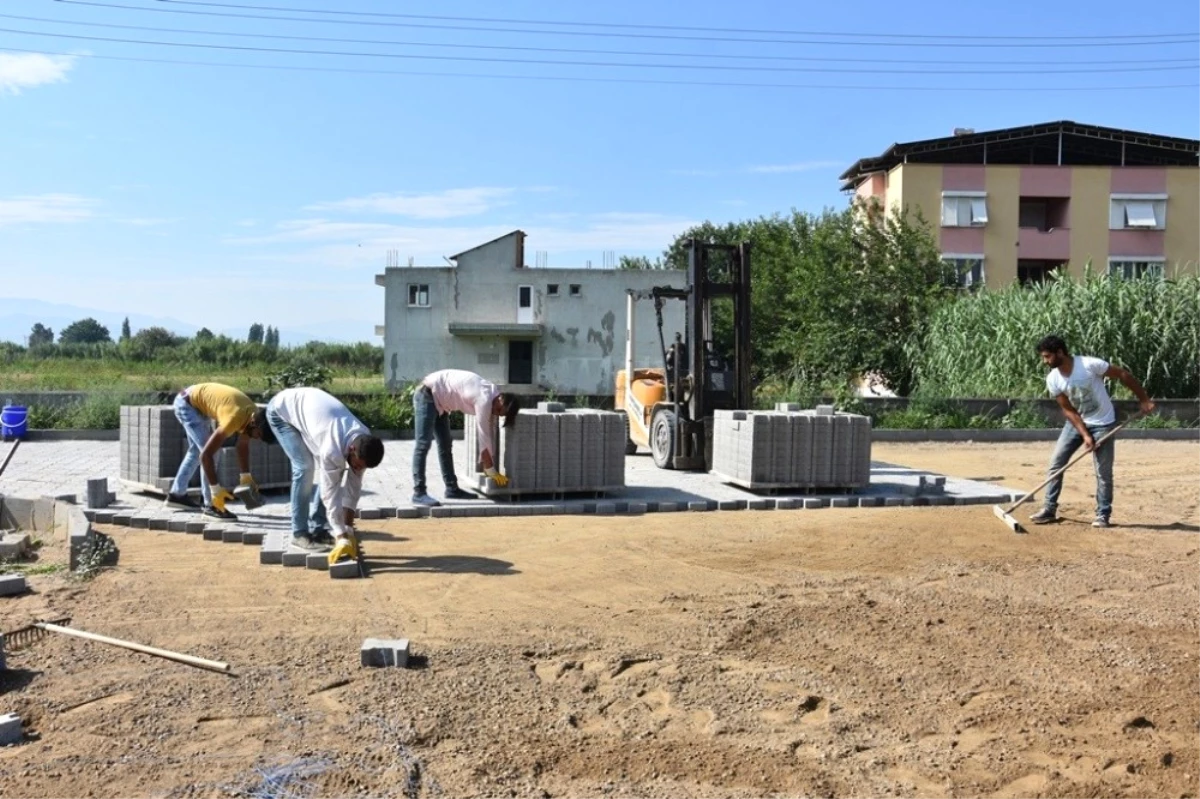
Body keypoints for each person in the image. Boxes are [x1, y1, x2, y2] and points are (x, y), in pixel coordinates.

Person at [1030, 335, 1155, 528]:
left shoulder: (1089, 365)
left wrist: (1144, 399)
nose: (1045, 361)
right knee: (1056, 463)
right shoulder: (1053, 379)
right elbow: (1068, 409)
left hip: (1103, 423)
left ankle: (1102, 514)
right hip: (1076, 424)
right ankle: (1049, 509)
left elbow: (1122, 374)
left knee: (1102, 472)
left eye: (1047, 356)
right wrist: (1086, 435)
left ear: (1060, 352)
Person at [262, 387, 385, 559]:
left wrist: (348, 529)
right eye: (357, 465)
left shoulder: (364, 442)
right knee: (305, 467)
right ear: (351, 449)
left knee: (334, 472)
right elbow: (330, 494)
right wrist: (341, 537)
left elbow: (353, 489)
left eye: (361, 467)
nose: (357, 469)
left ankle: (319, 529)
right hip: (281, 412)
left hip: (309, 411)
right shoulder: (332, 450)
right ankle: (299, 534)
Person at [411, 369, 520, 507]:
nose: (496, 413)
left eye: (500, 415)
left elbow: (489, 431)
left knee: (445, 445)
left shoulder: (492, 394)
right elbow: (484, 435)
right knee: (423, 444)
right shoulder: (485, 399)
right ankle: (418, 493)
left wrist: (489, 467)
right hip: (427, 394)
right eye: (498, 410)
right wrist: (491, 471)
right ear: (501, 399)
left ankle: (452, 489)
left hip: (441, 403)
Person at [166, 382, 267, 521]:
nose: (257, 438)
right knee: (211, 452)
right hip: (187, 404)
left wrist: (245, 476)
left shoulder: (253, 416)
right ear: (255, 425)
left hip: (195, 402)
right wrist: (216, 490)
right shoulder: (234, 418)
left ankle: (176, 495)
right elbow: (206, 456)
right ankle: (212, 506)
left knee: (197, 450)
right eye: (259, 435)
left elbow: (242, 445)